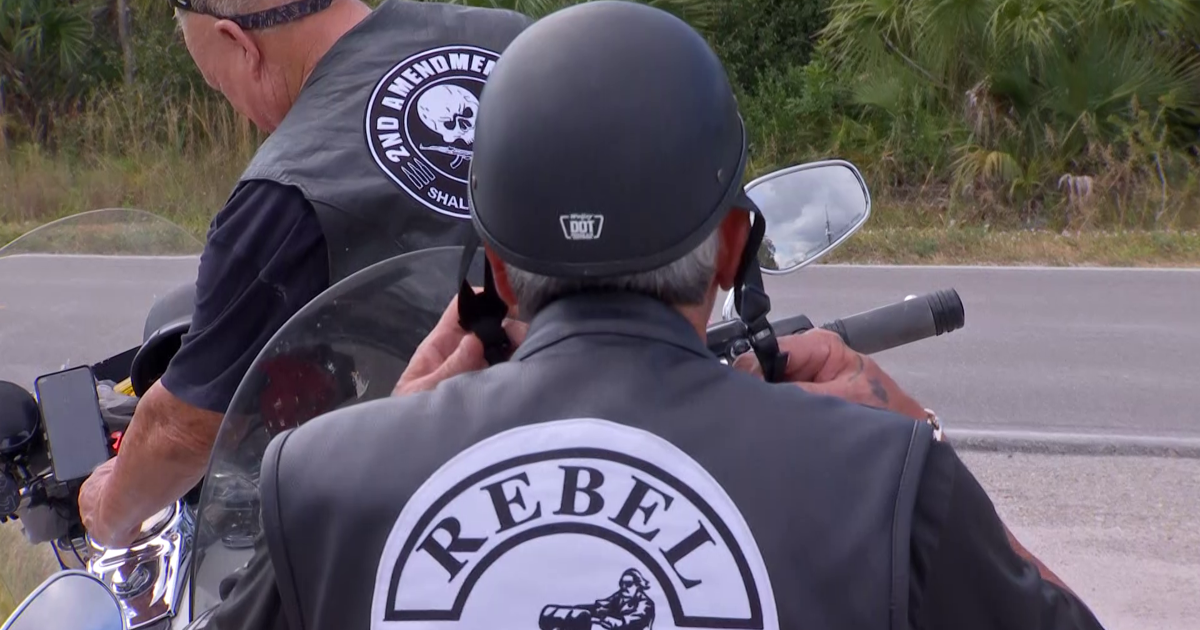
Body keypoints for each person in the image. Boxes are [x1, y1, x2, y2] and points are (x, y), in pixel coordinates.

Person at [252, 2, 1106, 629]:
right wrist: (921, 441)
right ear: (732, 247)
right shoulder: (888, 477)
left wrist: (385, 441)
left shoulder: (318, 481)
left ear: (499, 273)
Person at [77, 0, 532, 547]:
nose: (239, 110)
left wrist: (106, 509)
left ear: (240, 44)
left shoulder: (282, 191)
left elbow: (183, 430)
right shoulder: (514, 37)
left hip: (448, 526)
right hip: (601, 455)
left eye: (219, 85)